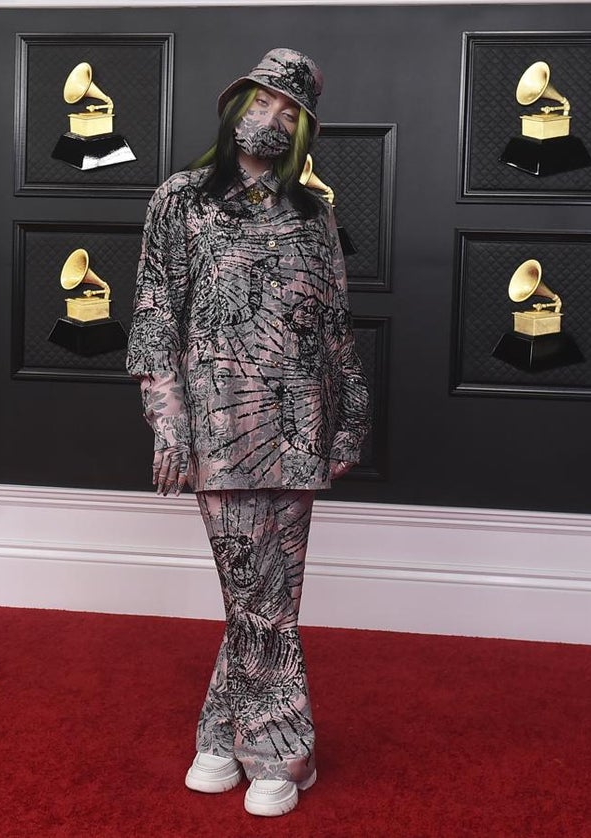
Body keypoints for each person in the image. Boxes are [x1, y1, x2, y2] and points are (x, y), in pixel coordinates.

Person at [125, 48, 371, 818]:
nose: (273, 116)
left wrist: (351, 421)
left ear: (304, 133)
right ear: (237, 108)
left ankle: (233, 739)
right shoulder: (179, 200)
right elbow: (155, 315)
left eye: (292, 110)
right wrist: (168, 427)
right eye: (264, 99)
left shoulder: (313, 212)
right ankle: (281, 749)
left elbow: (336, 326)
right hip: (218, 425)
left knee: (273, 594)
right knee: (247, 587)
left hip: (300, 422)